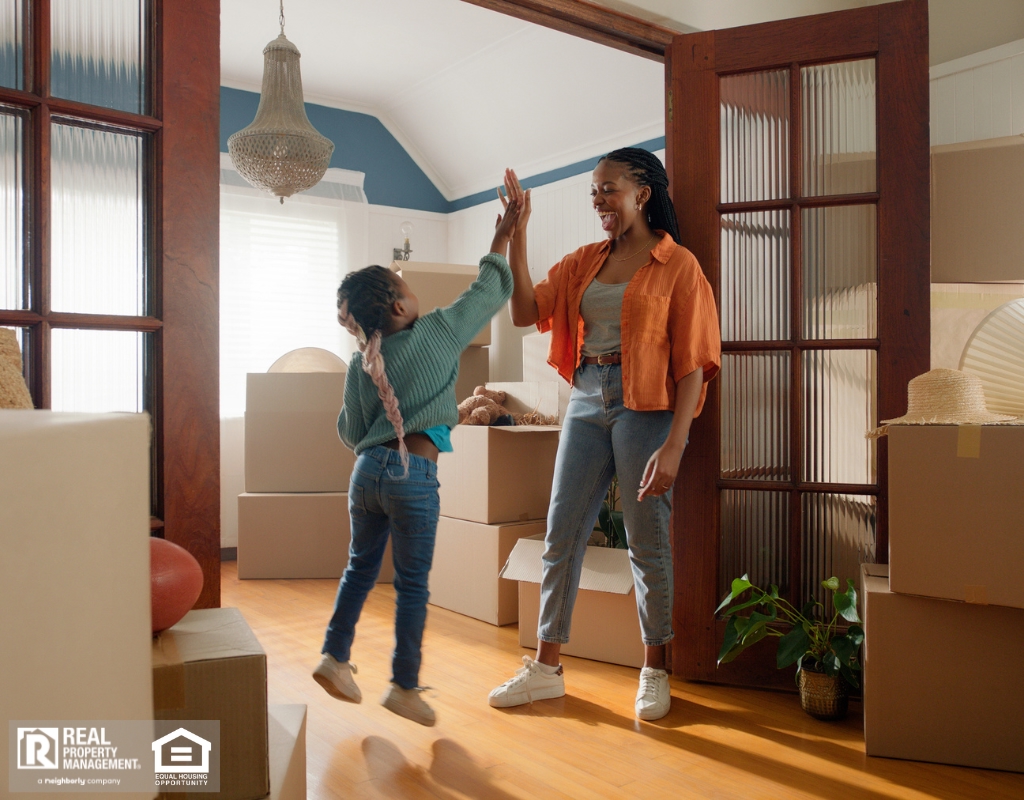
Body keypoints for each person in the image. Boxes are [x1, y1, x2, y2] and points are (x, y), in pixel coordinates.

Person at [488, 148, 721, 721]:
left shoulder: (678, 265)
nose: (599, 201)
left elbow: (694, 363)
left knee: (647, 541)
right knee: (561, 533)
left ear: (641, 194)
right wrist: (518, 234)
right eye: (593, 192)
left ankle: (654, 669)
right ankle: (546, 669)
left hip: (647, 410)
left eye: (607, 190)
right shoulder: (583, 262)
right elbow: (523, 311)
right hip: (588, 399)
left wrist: (675, 444)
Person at [313, 199, 521, 727]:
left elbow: (350, 431)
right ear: (400, 306)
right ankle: (404, 686)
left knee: (359, 568)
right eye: (404, 285)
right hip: (414, 479)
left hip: (366, 476)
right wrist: (503, 234)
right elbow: (491, 288)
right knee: (412, 586)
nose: (412, 290)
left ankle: (334, 657)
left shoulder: (364, 363)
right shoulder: (440, 331)